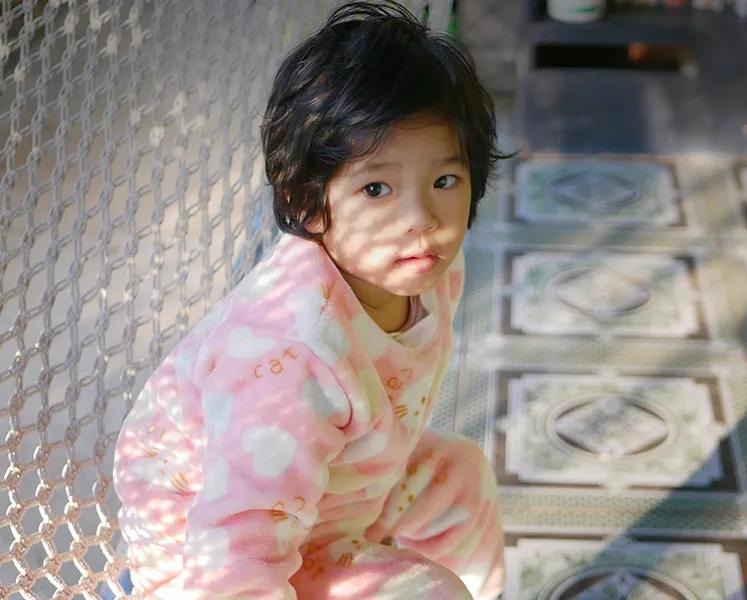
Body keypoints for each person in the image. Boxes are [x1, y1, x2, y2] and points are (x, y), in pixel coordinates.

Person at [112, 2, 510, 598]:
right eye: (376, 188)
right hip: (214, 560)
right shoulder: (293, 355)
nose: (421, 219)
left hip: (336, 493)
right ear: (307, 203)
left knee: (459, 474)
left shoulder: (425, 270)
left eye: (444, 181)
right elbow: (233, 556)